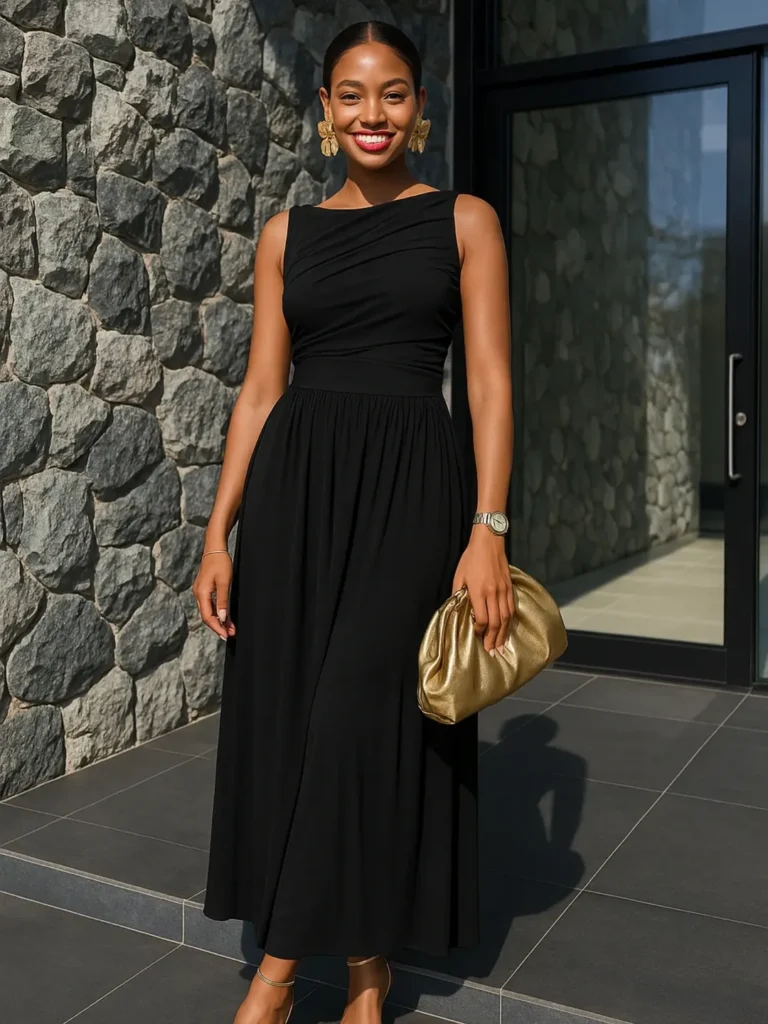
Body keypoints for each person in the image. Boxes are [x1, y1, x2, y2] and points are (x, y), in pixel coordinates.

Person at [193, 19, 514, 1024]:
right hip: (298, 492)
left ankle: (278, 974)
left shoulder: (465, 221)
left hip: (414, 488)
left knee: (359, 717)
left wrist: (490, 526)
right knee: (301, 721)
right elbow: (260, 389)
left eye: (393, 93)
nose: (373, 112)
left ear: (420, 109)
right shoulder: (285, 235)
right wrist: (217, 530)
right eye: (351, 94)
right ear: (326, 111)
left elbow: (491, 384)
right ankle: (369, 970)